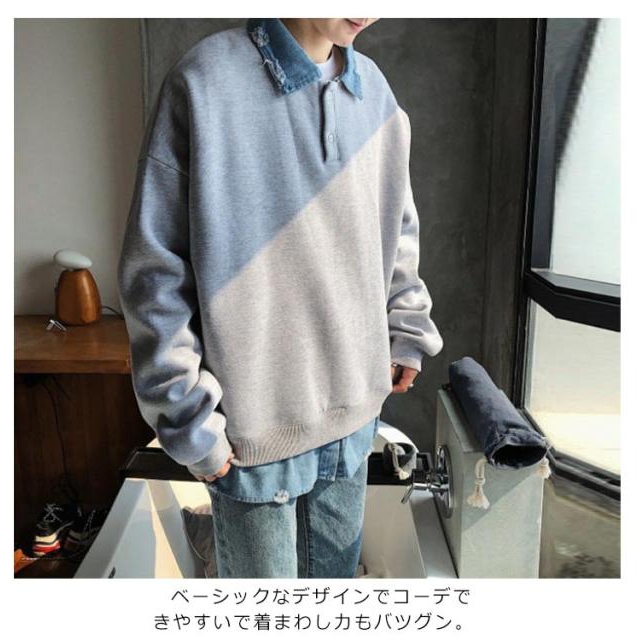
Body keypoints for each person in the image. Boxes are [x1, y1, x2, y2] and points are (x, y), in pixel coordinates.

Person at [117, 17, 443, 579]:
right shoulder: (204, 81)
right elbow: (156, 270)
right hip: (253, 434)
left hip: (353, 422)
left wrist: (406, 327)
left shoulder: (374, 90)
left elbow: (397, 228)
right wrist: (188, 419)